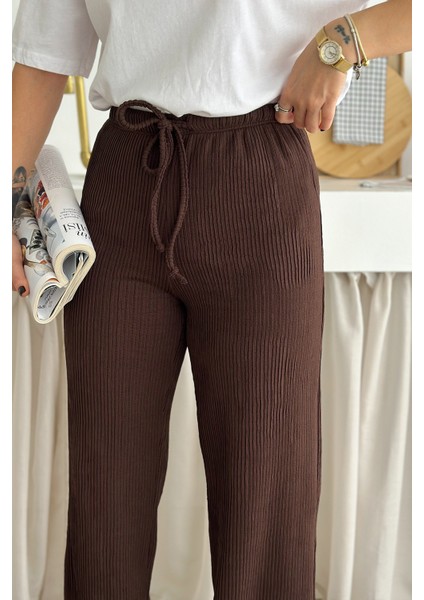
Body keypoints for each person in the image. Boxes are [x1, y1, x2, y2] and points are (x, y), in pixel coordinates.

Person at [12, 1, 411, 598]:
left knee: (267, 503)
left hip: (262, 183)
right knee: (105, 499)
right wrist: (8, 203)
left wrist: (344, 41)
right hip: (127, 178)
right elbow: (44, 55)